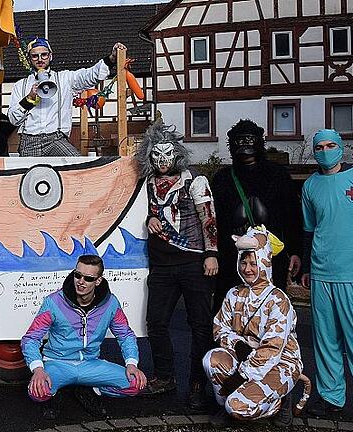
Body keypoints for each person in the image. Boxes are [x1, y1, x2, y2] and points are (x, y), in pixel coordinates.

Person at [135, 121, 218, 411]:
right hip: (160, 265)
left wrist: (212, 253)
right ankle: (165, 377)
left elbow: (208, 217)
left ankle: (198, 383)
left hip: (193, 262)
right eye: (155, 156)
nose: (162, 161)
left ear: (177, 154)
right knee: (156, 323)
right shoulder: (145, 184)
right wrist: (148, 219)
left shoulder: (195, 181)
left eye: (167, 155)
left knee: (200, 325)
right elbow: (140, 213)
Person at [20, 255, 146, 420]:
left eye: (88, 278)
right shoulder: (53, 302)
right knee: (38, 392)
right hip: (57, 363)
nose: (81, 281)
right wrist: (38, 369)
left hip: (91, 364)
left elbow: (125, 334)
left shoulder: (110, 303)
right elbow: (31, 338)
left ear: (98, 281)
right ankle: (55, 393)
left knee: (135, 384)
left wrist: (131, 364)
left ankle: (91, 389)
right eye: (77, 275)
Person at [204, 225, 305, 427]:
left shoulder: (278, 300)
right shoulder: (234, 293)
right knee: (211, 359)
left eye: (253, 263)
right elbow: (219, 327)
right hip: (245, 356)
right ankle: (228, 405)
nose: (247, 269)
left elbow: (272, 348)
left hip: (279, 362)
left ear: (265, 262)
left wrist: (241, 376)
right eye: (244, 262)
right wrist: (239, 346)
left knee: (238, 407)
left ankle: (280, 402)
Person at [211, 119, 302, 311]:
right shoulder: (222, 179)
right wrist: (213, 254)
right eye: (240, 140)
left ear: (259, 142)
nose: (244, 145)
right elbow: (213, 220)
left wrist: (295, 251)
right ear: (232, 144)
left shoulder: (278, 175)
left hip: (270, 256)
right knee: (231, 307)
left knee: (269, 308)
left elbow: (292, 216)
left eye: (249, 139)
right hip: (232, 257)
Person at [301, 129, 353, 417]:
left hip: (351, 273)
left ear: (341, 147)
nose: (325, 150)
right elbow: (309, 230)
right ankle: (331, 398)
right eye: (319, 146)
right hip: (322, 272)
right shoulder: (310, 186)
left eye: (331, 145)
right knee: (326, 340)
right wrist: (307, 266)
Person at [8, 38, 123, 156]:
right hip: (29, 141)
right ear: (29, 59)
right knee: (31, 173)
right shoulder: (20, 85)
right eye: (35, 56)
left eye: (44, 55)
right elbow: (13, 119)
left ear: (50, 56)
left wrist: (111, 59)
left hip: (56, 139)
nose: (40, 59)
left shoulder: (65, 79)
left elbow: (90, 75)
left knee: (76, 165)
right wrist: (29, 98)